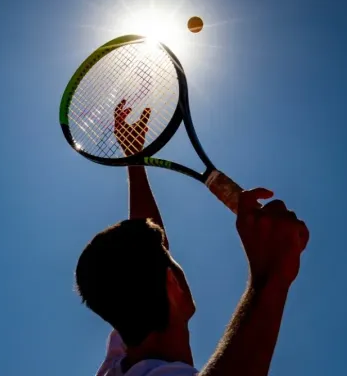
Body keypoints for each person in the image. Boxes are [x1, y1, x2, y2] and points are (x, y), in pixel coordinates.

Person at [74, 101, 310, 376]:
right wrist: (270, 276)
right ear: (172, 283)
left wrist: (135, 157)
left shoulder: (122, 359)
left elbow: (147, 244)